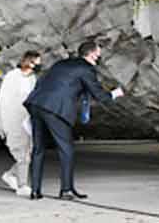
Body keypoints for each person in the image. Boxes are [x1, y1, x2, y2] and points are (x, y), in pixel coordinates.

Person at [24, 40, 124, 200]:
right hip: (55, 109)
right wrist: (115, 93)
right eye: (98, 52)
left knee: (38, 149)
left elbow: (43, 80)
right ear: (92, 54)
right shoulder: (86, 69)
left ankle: (35, 191)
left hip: (36, 103)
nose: (100, 55)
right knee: (66, 149)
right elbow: (99, 95)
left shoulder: (62, 63)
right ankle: (66, 190)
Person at [0, 50, 42, 196]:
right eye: (36, 62)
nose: (38, 65)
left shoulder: (33, 78)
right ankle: (22, 186)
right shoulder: (12, 76)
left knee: (29, 151)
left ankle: (10, 175)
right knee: (22, 152)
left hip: (27, 118)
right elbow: (2, 99)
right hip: (13, 117)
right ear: (28, 61)